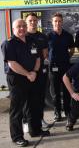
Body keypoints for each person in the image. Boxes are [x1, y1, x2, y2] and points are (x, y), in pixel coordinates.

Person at [1, 19, 47, 147]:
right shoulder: (9, 43)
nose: (22, 28)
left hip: (32, 76)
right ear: (13, 28)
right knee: (17, 110)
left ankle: (35, 130)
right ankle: (17, 137)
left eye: (23, 26)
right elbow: (12, 64)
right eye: (18, 26)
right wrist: (28, 74)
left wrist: (34, 72)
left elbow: (38, 58)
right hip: (17, 79)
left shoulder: (32, 41)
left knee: (33, 105)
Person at [25, 13, 51, 134]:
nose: (33, 23)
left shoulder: (42, 36)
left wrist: (38, 64)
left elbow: (45, 53)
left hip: (40, 71)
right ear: (26, 22)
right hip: (27, 73)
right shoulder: (23, 36)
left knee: (40, 97)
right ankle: (26, 122)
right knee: (28, 99)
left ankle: (40, 119)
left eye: (35, 21)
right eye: (30, 21)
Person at [48, 13, 75, 121]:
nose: (58, 23)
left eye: (59, 21)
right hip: (53, 67)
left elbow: (72, 50)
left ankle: (67, 111)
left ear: (62, 22)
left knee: (67, 90)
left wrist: (65, 57)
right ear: (52, 22)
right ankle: (57, 112)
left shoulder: (68, 36)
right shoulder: (48, 36)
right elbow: (44, 51)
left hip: (65, 66)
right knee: (55, 92)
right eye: (55, 21)